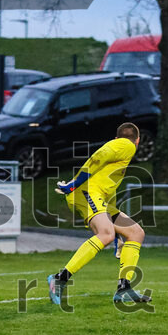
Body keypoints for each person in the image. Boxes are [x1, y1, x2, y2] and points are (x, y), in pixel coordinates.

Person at [47, 122, 151, 304]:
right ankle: (59, 278)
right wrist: (74, 183)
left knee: (135, 233)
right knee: (106, 234)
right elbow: (98, 156)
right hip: (87, 192)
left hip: (96, 196)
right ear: (138, 140)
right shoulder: (126, 145)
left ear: (118, 136)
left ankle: (123, 287)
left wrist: (120, 235)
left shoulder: (119, 158)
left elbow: (107, 197)